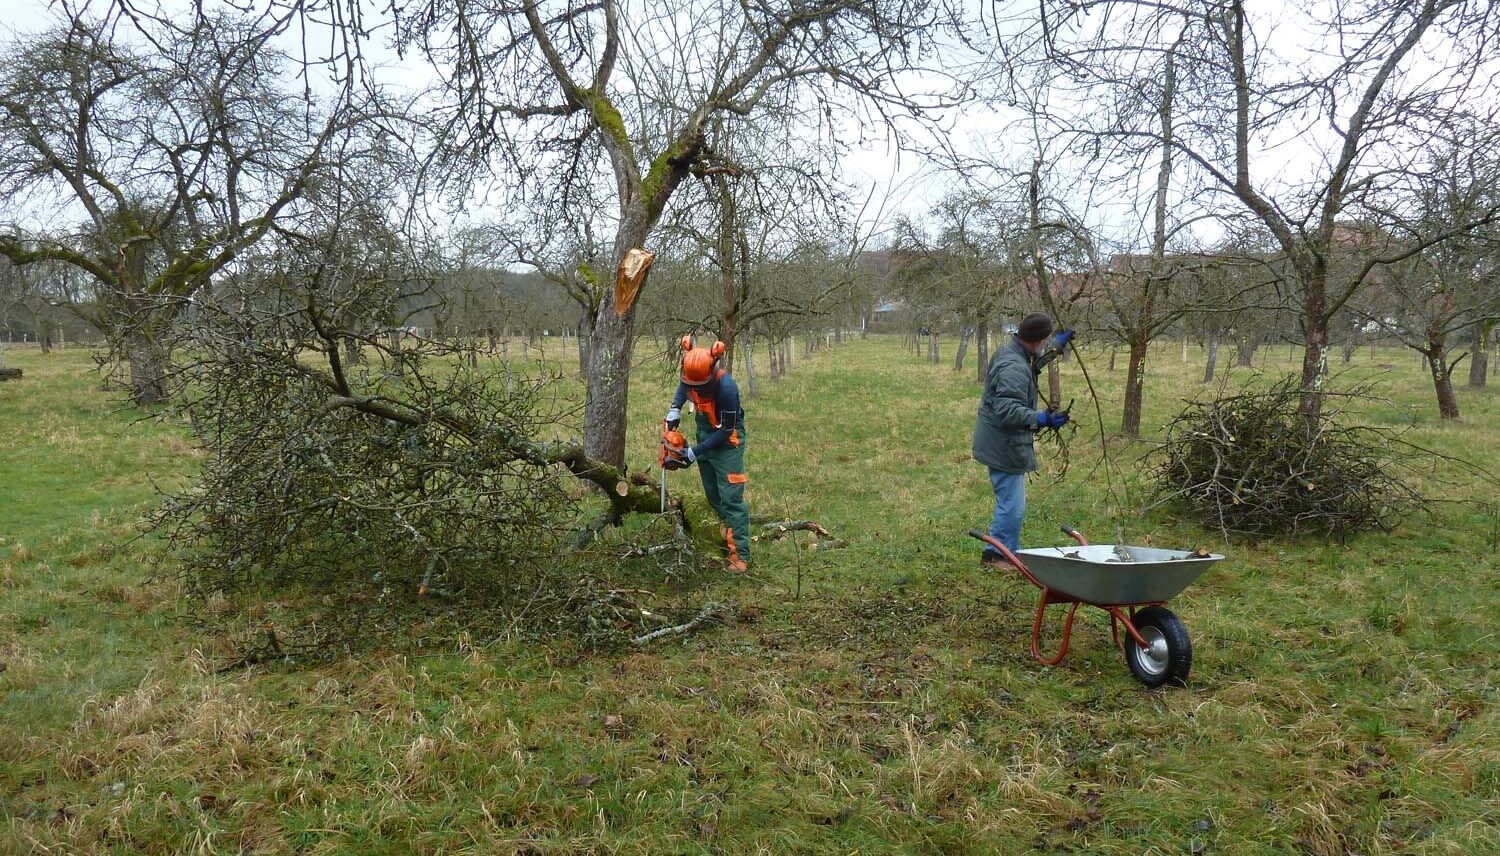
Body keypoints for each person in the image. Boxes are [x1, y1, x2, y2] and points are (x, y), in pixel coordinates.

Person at [972, 313, 1075, 565]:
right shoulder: (1013, 366)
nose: (1048, 342)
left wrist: (1054, 350)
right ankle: (998, 556)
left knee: (1010, 501)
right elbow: (1006, 409)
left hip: (1000, 440)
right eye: (1047, 339)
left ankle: (1002, 551)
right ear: (1037, 340)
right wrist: (1041, 418)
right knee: (1012, 505)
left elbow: (1032, 363)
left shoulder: (1015, 352)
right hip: (1003, 444)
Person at [666, 335, 750, 572]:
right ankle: (727, 525)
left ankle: (740, 556)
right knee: (713, 493)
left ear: (711, 373)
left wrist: (694, 452)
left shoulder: (727, 389)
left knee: (731, 497)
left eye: (699, 387)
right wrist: (675, 408)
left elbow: (726, 430)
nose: (695, 390)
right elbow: (684, 385)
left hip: (727, 442)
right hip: (705, 434)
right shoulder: (691, 376)